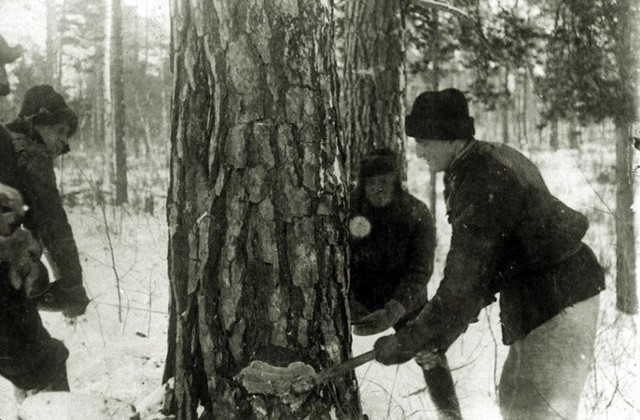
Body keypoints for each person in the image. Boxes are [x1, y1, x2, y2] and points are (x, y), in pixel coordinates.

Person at [372, 88, 605, 419]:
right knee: (514, 399)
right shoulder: (481, 163)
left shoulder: (482, 182)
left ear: (451, 138)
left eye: (424, 140)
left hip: (557, 303)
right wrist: (434, 339)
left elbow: (464, 283)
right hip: (547, 301)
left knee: (535, 410)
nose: (418, 150)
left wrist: (410, 340)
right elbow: (479, 277)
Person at [349, 148, 462, 419]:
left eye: (384, 183)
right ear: (362, 186)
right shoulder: (348, 211)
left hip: (402, 299)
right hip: (357, 296)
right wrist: (348, 297)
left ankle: (450, 415)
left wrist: (394, 310)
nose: (378, 190)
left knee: (429, 348)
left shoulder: (416, 214)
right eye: (371, 184)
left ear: (396, 182)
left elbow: (420, 273)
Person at [0, 84, 90, 397]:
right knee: (45, 367)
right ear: (36, 122)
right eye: (61, 131)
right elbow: (53, 225)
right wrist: (72, 285)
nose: (65, 144)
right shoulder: (29, 153)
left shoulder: (7, 146)